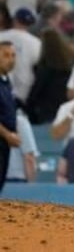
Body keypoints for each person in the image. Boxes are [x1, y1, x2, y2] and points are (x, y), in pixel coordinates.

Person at [0, 41, 19, 193]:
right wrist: (8, 135)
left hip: (4, 142)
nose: (11, 59)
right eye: (6, 55)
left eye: (13, 55)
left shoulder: (6, 82)